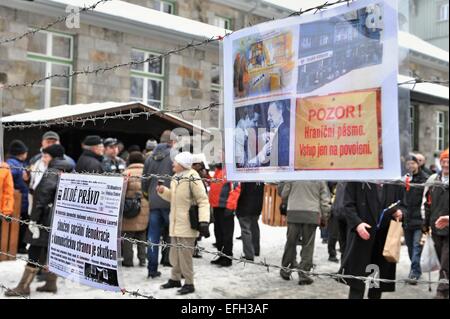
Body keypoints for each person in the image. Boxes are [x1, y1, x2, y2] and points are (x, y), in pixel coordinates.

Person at [5, 144, 73, 297]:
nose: (44, 159)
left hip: (45, 219)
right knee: (51, 250)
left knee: (34, 251)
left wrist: (34, 221)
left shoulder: (52, 172)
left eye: (46, 156)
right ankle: (51, 283)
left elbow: (41, 199)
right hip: (59, 218)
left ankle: (24, 286)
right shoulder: (68, 169)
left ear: (53, 157)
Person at [340, 182, 404, 299]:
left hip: (383, 237)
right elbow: (347, 205)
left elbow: (403, 203)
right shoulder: (357, 181)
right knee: (357, 281)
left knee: (376, 280)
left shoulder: (393, 182)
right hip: (361, 236)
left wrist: (400, 212)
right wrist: (357, 224)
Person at [158, 152, 210, 295]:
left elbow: (203, 200)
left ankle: (189, 283)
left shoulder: (193, 177)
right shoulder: (176, 177)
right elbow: (174, 199)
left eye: (175, 162)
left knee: (185, 257)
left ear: (182, 164)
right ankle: (175, 279)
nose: (172, 164)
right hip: (175, 224)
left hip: (187, 224)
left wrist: (204, 221)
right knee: (174, 255)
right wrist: (164, 191)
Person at [279, 181, 331, 285]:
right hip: (312, 214)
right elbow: (325, 200)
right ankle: (304, 274)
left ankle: (286, 269)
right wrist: (325, 217)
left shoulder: (294, 176)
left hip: (293, 213)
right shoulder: (320, 179)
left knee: (291, 242)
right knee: (308, 245)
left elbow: (284, 194)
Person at [141, 130, 175, 278]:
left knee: (153, 237)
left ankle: (152, 269)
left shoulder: (149, 158)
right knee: (176, 234)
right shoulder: (175, 156)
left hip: (154, 201)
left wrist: (148, 195)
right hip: (171, 199)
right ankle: (176, 267)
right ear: (172, 142)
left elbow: (144, 181)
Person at [423, 148, 449, 299]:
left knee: (446, 260)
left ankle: (441, 291)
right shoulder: (433, 180)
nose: (446, 165)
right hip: (436, 227)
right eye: (444, 161)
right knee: (442, 259)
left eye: (449, 162)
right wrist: (425, 222)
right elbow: (426, 202)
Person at [403, 155, 428, 284]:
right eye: (408, 164)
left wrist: (426, 220)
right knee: (410, 248)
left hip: (419, 220)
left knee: (417, 247)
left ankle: (414, 273)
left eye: (413, 163)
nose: (410, 166)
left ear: (418, 164)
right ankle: (416, 269)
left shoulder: (425, 179)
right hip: (407, 219)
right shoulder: (405, 179)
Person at [208, 163, 241, 267]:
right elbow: (215, 185)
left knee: (226, 233)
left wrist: (230, 206)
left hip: (226, 207)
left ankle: (227, 257)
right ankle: (221, 254)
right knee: (218, 232)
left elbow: (236, 189)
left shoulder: (231, 170)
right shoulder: (219, 169)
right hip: (217, 205)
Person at [121, 152, 149, 267]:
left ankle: (128, 260)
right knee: (142, 233)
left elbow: (122, 191)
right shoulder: (147, 173)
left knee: (128, 235)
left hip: (129, 207)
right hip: (144, 206)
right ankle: (142, 259)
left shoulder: (126, 173)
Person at [247, 101, 289, 168]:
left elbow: (282, 167)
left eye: (271, 115)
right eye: (267, 115)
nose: (268, 119)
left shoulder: (284, 134)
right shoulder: (278, 134)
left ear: (280, 112)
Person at [6, 140, 30, 253]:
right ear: (21, 153)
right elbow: (10, 176)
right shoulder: (12, 164)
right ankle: (18, 246)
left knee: (22, 224)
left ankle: (19, 245)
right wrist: (22, 173)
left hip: (21, 201)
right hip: (17, 202)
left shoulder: (19, 163)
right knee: (20, 225)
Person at [236, 182, 264, 261]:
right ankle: (256, 250)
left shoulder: (244, 178)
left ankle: (249, 254)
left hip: (244, 206)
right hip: (257, 206)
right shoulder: (260, 179)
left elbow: (241, 192)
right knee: (254, 227)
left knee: (245, 230)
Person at [327, 182, 347, 263]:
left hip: (340, 210)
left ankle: (342, 263)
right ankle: (332, 254)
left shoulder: (341, 183)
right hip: (337, 211)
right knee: (334, 235)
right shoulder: (339, 183)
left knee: (340, 238)